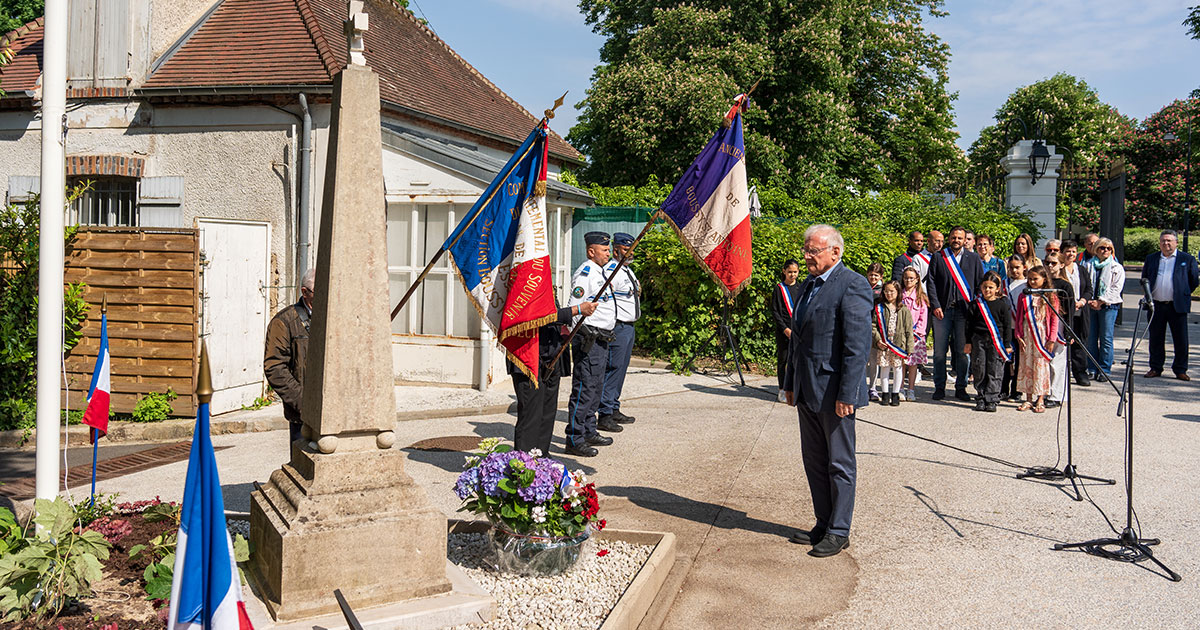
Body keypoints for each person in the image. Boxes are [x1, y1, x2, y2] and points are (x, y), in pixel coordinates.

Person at [783, 224, 872, 558]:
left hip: (835, 392)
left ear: (836, 252)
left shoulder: (853, 285)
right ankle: (823, 522)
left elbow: (856, 346)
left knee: (839, 462)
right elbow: (798, 341)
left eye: (814, 251)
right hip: (807, 388)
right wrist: (790, 383)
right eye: (806, 249)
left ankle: (839, 529)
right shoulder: (807, 285)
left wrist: (848, 394)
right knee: (815, 461)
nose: (807, 256)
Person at [510, 298, 597, 454]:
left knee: (547, 414)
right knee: (531, 416)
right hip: (529, 356)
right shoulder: (526, 279)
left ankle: (542, 462)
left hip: (551, 355)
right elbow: (536, 315)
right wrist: (576, 310)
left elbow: (550, 311)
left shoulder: (544, 277)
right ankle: (524, 468)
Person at [565, 232, 619, 457]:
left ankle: (589, 430)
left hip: (602, 338)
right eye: (604, 250)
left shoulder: (600, 272)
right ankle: (574, 438)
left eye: (608, 250)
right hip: (589, 339)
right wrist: (583, 336)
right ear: (591, 252)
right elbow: (575, 307)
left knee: (595, 388)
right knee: (584, 389)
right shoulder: (586, 273)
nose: (609, 253)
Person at [926, 226, 986, 401]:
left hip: (964, 312)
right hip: (942, 311)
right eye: (953, 237)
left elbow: (979, 285)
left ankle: (961, 386)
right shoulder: (939, 257)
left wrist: (975, 309)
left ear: (965, 240)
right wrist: (935, 305)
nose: (957, 240)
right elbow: (931, 282)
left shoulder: (973, 258)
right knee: (939, 352)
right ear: (949, 238)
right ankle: (939, 386)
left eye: (960, 238)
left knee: (962, 352)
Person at [264, 267, 316, 446]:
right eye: (320, 292)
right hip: (302, 417)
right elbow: (275, 368)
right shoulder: (284, 322)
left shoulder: (333, 319)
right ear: (305, 292)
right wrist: (304, 402)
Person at [1144, 229, 1200, 381]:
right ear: (1159, 243)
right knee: (1155, 338)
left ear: (1176, 242)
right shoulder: (1152, 258)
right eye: (1163, 241)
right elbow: (1145, 279)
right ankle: (1155, 367)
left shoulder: (1186, 259)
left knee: (1180, 339)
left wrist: (1182, 293)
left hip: (1177, 306)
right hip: (1156, 305)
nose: (1166, 243)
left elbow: (1194, 280)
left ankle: (1180, 369)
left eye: (1169, 240)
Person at [599, 232, 642, 425]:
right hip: (618, 326)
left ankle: (614, 406)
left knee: (621, 369)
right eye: (626, 249)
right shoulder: (611, 270)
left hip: (629, 327)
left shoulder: (626, 270)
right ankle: (605, 413)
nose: (630, 253)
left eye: (632, 249)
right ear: (615, 249)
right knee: (613, 368)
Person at [963, 271, 1013, 412]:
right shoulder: (975, 305)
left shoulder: (1002, 305)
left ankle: (992, 398)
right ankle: (981, 396)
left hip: (997, 341)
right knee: (979, 368)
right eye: (985, 287)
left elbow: (1007, 325)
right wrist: (968, 342)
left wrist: (1008, 344)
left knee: (995, 369)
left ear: (997, 288)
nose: (987, 290)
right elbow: (969, 325)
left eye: (991, 287)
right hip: (978, 340)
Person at [1015, 266, 1059, 413]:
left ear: (1044, 279)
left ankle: (1040, 398)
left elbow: (1054, 320)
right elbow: (1019, 317)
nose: (1032, 282)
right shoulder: (1024, 296)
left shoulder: (1050, 296)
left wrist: (1052, 339)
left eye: (1036, 279)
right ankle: (1028, 398)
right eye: (1030, 279)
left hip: (1042, 335)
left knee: (1041, 367)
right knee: (1026, 365)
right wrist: (1018, 335)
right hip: (1027, 334)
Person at [868, 280, 913, 407]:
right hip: (884, 345)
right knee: (885, 368)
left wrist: (909, 347)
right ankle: (885, 394)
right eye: (886, 291)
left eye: (892, 291)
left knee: (898, 369)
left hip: (898, 345)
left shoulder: (903, 309)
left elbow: (908, 329)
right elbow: (873, 326)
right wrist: (878, 339)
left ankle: (895, 393)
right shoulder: (880, 308)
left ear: (898, 292)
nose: (889, 294)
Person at [1086, 237, 1125, 382]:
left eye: (1109, 248)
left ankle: (1104, 369)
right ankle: (1091, 367)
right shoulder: (1088, 265)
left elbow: (1116, 288)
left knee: (1106, 338)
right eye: (1102, 248)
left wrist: (1100, 302)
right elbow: (1085, 284)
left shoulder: (1116, 267)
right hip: (1091, 305)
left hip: (1108, 306)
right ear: (1096, 249)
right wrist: (1090, 300)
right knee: (1091, 338)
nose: (1105, 251)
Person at [1044, 253, 1075, 408]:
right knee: (1047, 361)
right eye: (1047, 263)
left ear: (1062, 265)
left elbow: (1070, 310)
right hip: (1044, 324)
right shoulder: (1044, 282)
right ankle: (1046, 391)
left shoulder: (1065, 286)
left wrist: (1069, 331)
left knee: (1058, 362)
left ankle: (1057, 394)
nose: (1050, 266)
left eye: (1054, 263)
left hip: (1060, 326)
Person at [1061, 240, 1093, 386]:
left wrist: (1082, 301)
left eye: (1073, 251)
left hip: (1080, 311)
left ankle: (1080, 372)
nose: (1071, 254)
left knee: (1080, 342)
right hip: (1063, 312)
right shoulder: (1059, 269)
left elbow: (1089, 290)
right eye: (1068, 251)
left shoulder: (1081, 270)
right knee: (1063, 342)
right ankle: (1063, 374)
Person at [771, 259, 804, 402]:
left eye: (795, 272)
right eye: (790, 272)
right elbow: (775, 311)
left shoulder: (801, 288)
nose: (792, 275)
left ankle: (795, 387)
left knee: (797, 360)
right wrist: (785, 329)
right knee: (783, 360)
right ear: (784, 271)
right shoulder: (779, 289)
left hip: (798, 331)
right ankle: (782, 389)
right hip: (784, 331)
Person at [900, 267, 928, 402]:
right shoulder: (899, 295)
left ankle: (911, 389)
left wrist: (918, 333)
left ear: (917, 280)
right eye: (906, 277)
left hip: (916, 337)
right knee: (901, 363)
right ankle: (899, 388)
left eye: (911, 278)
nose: (908, 280)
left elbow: (923, 317)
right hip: (901, 335)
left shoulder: (920, 298)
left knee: (913, 364)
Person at [1003, 256, 1027, 400]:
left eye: (1017, 267)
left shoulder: (1027, 284)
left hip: (1022, 328)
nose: (1014, 270)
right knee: (1006, 359)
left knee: (1020, 360)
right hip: (1007, 327)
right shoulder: (1004, 283)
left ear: (1024, 267)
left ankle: (1016, 390)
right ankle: (1003, 388)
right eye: (1011, 268)